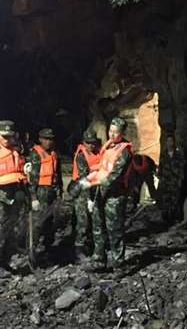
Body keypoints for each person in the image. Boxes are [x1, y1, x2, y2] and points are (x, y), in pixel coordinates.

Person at [79, 117, 132, 273]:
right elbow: (102, 167)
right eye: (110, 131)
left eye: (116, 132)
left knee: (114, 231)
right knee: (98, 227)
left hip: (114, 196)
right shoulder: (108, 147)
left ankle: (119, 265)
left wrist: (92, 182)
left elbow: (114, 176)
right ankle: (99, 261)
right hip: (100, 193)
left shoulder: (124, 152)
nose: (112, 135)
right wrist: (90, 176)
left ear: (122, 133)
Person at [0, 121, 27, 274]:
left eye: (10, 136)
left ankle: (5, 261)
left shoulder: (15, 151)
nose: (7, 139)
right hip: (0, 200)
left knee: (9, 233)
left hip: (13, 199)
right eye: (4, 136)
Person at [27, 128, 63, 251]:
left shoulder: (54, 153)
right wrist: (33, 197)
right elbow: (32, 177)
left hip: (52, 190)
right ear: (40, 139)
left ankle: (48, 246)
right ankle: (34, 247)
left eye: (51, 139)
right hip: (40, 191)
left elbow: (58, 174)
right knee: (39, 221)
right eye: (46, 139)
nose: (49, 142)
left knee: (51, 220)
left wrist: (60, 191)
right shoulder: (35, 154)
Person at [71, 131, 101, 260]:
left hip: (95, 189)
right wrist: (89, 199)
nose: (91, 146)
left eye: (93, 143)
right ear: (84, 143)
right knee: (82, 221)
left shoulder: (98, 153)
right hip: (82, 190)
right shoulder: (81, 156)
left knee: (95, 220)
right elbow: (84, 178)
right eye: (88, 143)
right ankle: (79, 249)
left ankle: (91, 245)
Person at [157, 134, 186, 224]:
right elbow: (160, 169)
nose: (170, 143)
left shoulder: (179, 155)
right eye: (168, 141)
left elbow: (182, 168)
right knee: (165, 200)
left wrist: (180, 179)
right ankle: (166, 219)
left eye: (171, 141)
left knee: (175, 200)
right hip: (165, 181)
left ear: (174, 142)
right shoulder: (163, 155)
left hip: (175, 181)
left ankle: (176, 218)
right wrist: (160, 179)